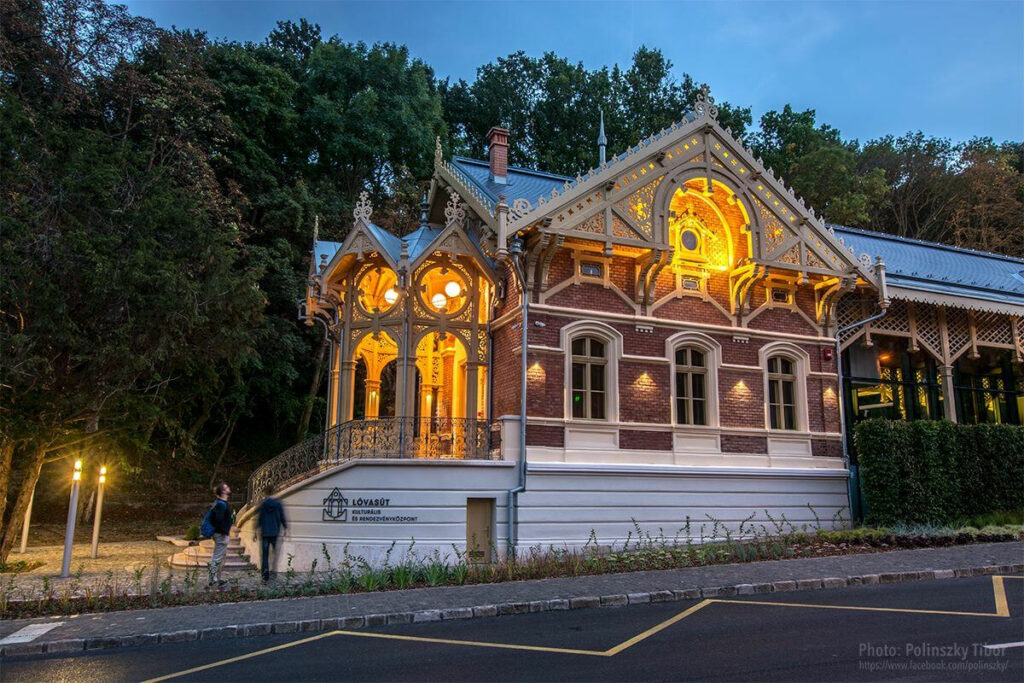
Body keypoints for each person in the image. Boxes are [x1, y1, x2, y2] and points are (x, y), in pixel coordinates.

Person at [256, 485, 287, 582]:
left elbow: (260, 519)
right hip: (274, 532)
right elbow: (282, 516)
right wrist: (285, 528)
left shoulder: (263, 504)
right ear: (273, 492)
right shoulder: (278, 504)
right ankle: (273, 571)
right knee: (275, 553)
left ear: (265, 493)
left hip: (265, 532)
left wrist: (255, 530)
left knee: (265, 555)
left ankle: (265, 575)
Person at [208, 482, 233, 587]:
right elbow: (218, 520)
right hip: (221, 534)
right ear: (223, 491)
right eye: (226, 487)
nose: (228, 488)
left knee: (220, 557)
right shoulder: (221, 504)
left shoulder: (220, 503)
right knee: (217, 557)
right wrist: (223, 532)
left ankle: (217, 579)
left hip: (220, 533)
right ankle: (213, 580)